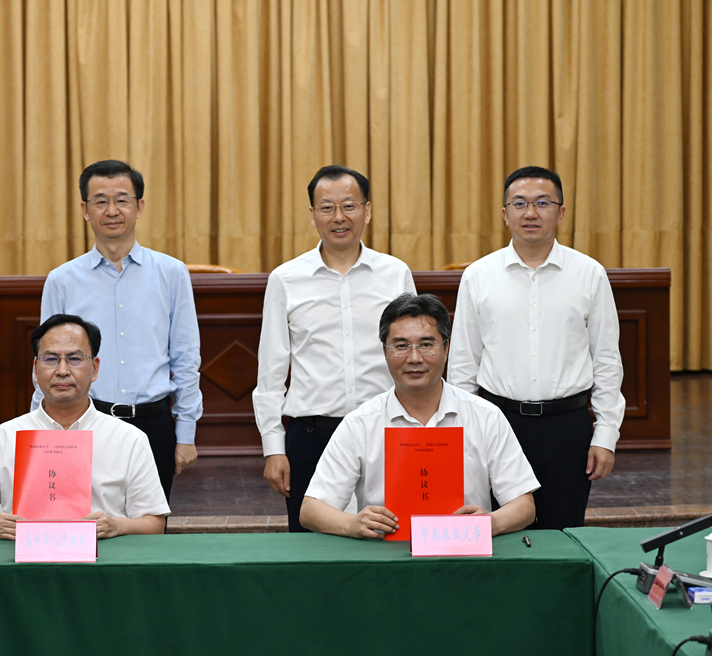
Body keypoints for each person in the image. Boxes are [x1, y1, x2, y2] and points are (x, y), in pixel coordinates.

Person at [448, 165, 625, 530]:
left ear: (561, 213)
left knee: (564, 534)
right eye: (520, 203)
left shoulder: (589, 273)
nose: (530, 212)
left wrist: (606, 435)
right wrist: (461, 436)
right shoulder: (478, 276)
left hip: (567, 428)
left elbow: (607, 359)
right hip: (498, 423)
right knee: (497, 533)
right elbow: (464, 363)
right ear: (505, 214)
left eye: (542, 203)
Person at [253, 165, 416, 532]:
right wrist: (273, 447)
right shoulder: (285, 279)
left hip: (385, 431)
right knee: (311, 545)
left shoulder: (395, 274)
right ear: (312, 215)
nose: (339, 217)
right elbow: (271, 373)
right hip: (312, 435)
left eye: (349, 205)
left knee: (391, 536)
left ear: (367, 211)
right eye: (327, 208)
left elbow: (414, 358)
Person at [300, 293, 538, 538]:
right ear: (384, 351)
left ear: (446, 348)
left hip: (465, 551)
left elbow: (524, 505)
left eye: (426, 345)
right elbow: (311, 509)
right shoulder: (360, 423)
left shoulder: (485, 416)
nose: (414, 358)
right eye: (401, 346)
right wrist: (351, 524)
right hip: (384, 552)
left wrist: (490, 523)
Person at [33, 160, 201, 502]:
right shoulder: (62, 280)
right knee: (82, 524)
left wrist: (185, 433)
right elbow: (47, 363)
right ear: (85, 210)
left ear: (139, 206)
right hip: (82, 423)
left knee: (149, 527)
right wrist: (44, 432)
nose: (112, 210)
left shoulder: (171, 273)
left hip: (153, 424)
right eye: (100, 201)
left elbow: (186, 358)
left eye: (122, 200)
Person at [0, 314, 169, 540]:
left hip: (104, 558)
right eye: (50, 359)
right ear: (36, 369)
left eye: (74, 359)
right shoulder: (3, 436)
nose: (62, 370)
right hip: (19, 558)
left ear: (94, 368)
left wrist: (117, 525)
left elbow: (155, 522)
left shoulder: (129, 439)